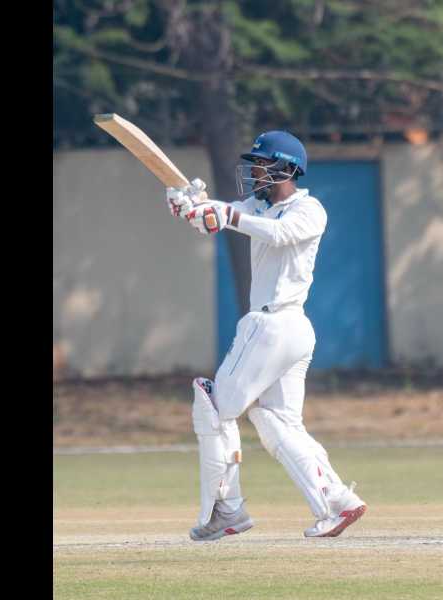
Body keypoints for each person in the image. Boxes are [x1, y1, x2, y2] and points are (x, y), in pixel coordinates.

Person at [165, 130, 366, 541]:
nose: (255, 170)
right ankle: (338, 503)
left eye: (262, 163)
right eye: (254, 163)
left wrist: (228, 215)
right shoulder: (257, 205)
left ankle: (228, 511)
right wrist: (190, 206)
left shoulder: (309, 209)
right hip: (287, 331)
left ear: (287, 168)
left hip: (275, 325)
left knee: (213, 406)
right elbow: (214, 219)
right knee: (276, 421)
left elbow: (275, 233)